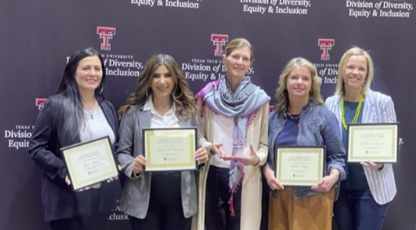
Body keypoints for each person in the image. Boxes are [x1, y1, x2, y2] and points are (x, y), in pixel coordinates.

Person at [28, 47, 120, 230]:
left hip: (101, 202)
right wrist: (65, 172)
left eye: (97, 68)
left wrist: (114, 164)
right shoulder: (56, 105)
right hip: (68, 202)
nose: (92, 73)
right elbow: (36, 147)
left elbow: (114, 146)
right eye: (86, 68)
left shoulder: (107, 107)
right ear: (73, 72)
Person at [116, 54, 208, 230]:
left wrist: (201, 156)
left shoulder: (188, 113)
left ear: (175, 79)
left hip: (181, 198)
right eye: (156, 75)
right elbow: (122, 152)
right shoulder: (134, 113)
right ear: (148, 80)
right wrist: (132, 165)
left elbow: (197, 147)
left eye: (167, 75)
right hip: (144, 197)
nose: (162, 81)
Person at [194, 38, 270, 230]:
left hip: (245, 178)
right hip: (213, 173)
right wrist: (209, 147)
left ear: (250, 64)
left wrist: (255, 159)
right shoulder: (208, 96)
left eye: (245, 58)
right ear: (224, 59)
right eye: (235, 56)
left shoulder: (259, 99)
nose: (240, 62)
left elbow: (264, 146)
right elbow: (197, 137)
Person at [263, 57, 346, 230]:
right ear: (286, 82)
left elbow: (337, 157)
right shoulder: (273, 118)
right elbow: (265, 156)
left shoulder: (324, 117)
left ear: (312, 84)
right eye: (294, 77)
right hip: (279, 196)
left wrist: (333, 177)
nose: (299, 82)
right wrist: (267, 172)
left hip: (314, 196)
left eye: (305, 78)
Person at [325, 47, 397, 230]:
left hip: (371, 188)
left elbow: (391, 143)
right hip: (340, 188)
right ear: (342, 70)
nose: (355, 73)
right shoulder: (330, 103)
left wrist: (381, 162)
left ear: (367, 73)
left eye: (361, 69)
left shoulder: (382, 102)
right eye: (350, 67)